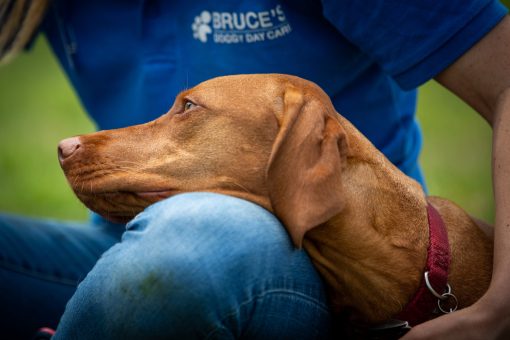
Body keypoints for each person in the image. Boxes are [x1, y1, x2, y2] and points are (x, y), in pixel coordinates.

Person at [1, 0, 509, 338]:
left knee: (197, 233)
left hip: (319, 260)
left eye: (189, 111)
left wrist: (500, 306)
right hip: (121, 248)